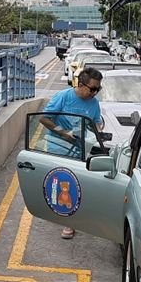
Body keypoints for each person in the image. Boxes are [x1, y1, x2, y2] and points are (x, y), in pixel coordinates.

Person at [38, 68, 104, 240]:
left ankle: (68, 216)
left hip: (81, 149)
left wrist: (98, 131)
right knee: (65, 183)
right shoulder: (63, 97)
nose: (95, 93)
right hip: (59, 146)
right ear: (81, 85)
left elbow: (96, 123)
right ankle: (69, 221)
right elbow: (44, 118)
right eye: (93, 89)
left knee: (74, 184)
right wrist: (63, 132)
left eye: (98, 89)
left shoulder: (94, 103)